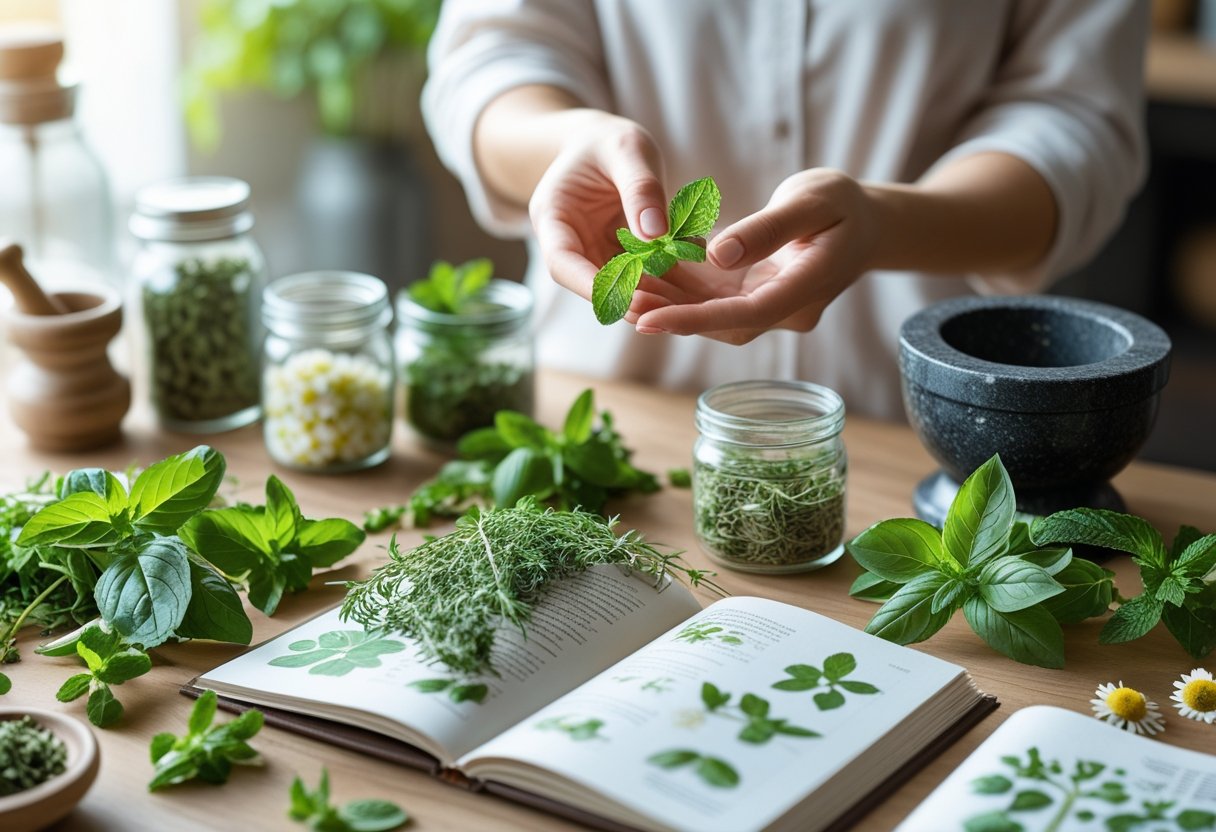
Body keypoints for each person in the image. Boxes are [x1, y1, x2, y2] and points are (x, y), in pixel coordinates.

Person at [422, 1, 1148, 420]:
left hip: (911, 427)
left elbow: (1073, 116)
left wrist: (887, 223)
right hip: (612, 409)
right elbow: (491, 61)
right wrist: (567, 143)